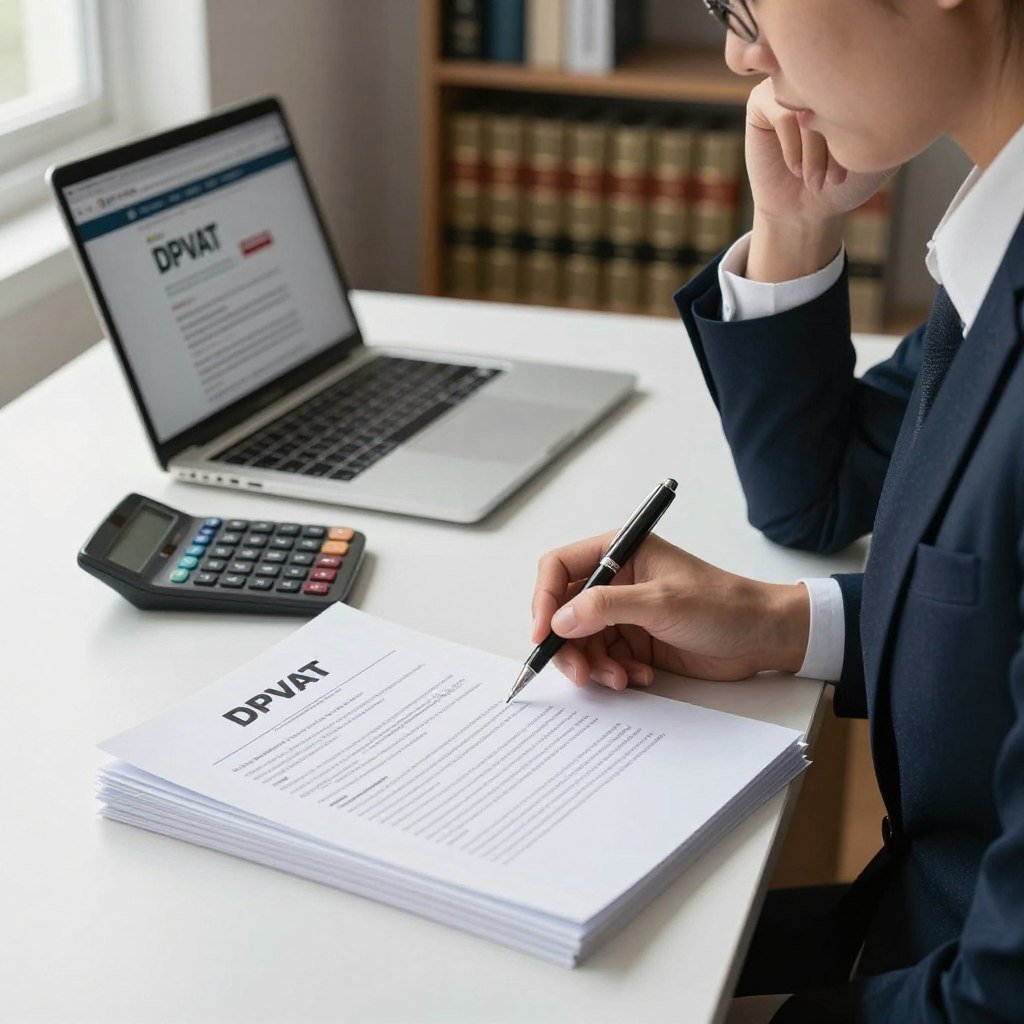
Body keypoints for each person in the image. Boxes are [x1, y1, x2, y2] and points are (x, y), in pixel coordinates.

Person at [529, 0, 1024, 1020]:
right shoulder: (1000, 235)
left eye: (749, 5)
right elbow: (821, 492)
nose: (739, 53)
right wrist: (775, 624)